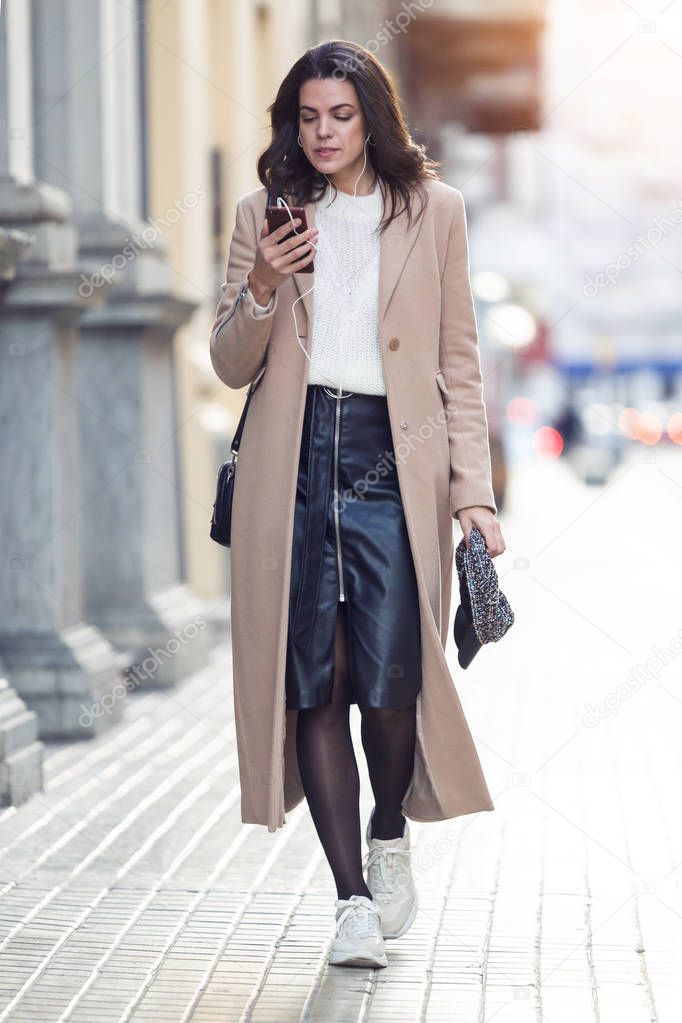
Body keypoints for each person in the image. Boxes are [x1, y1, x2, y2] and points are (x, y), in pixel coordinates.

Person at [209, 39, 506, 970]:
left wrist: (474, 495)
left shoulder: (434, 210)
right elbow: (228, 361)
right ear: (291, 125)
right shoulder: (266, 214)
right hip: (292, 466)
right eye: (308, 117)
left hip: (392, 463)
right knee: (315, 682)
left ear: (372, 117)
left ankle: (389, 833)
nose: (324, 132)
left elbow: (457, 360)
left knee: (390, 681)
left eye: (340, 115)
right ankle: (349, 900)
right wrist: (261, 283)